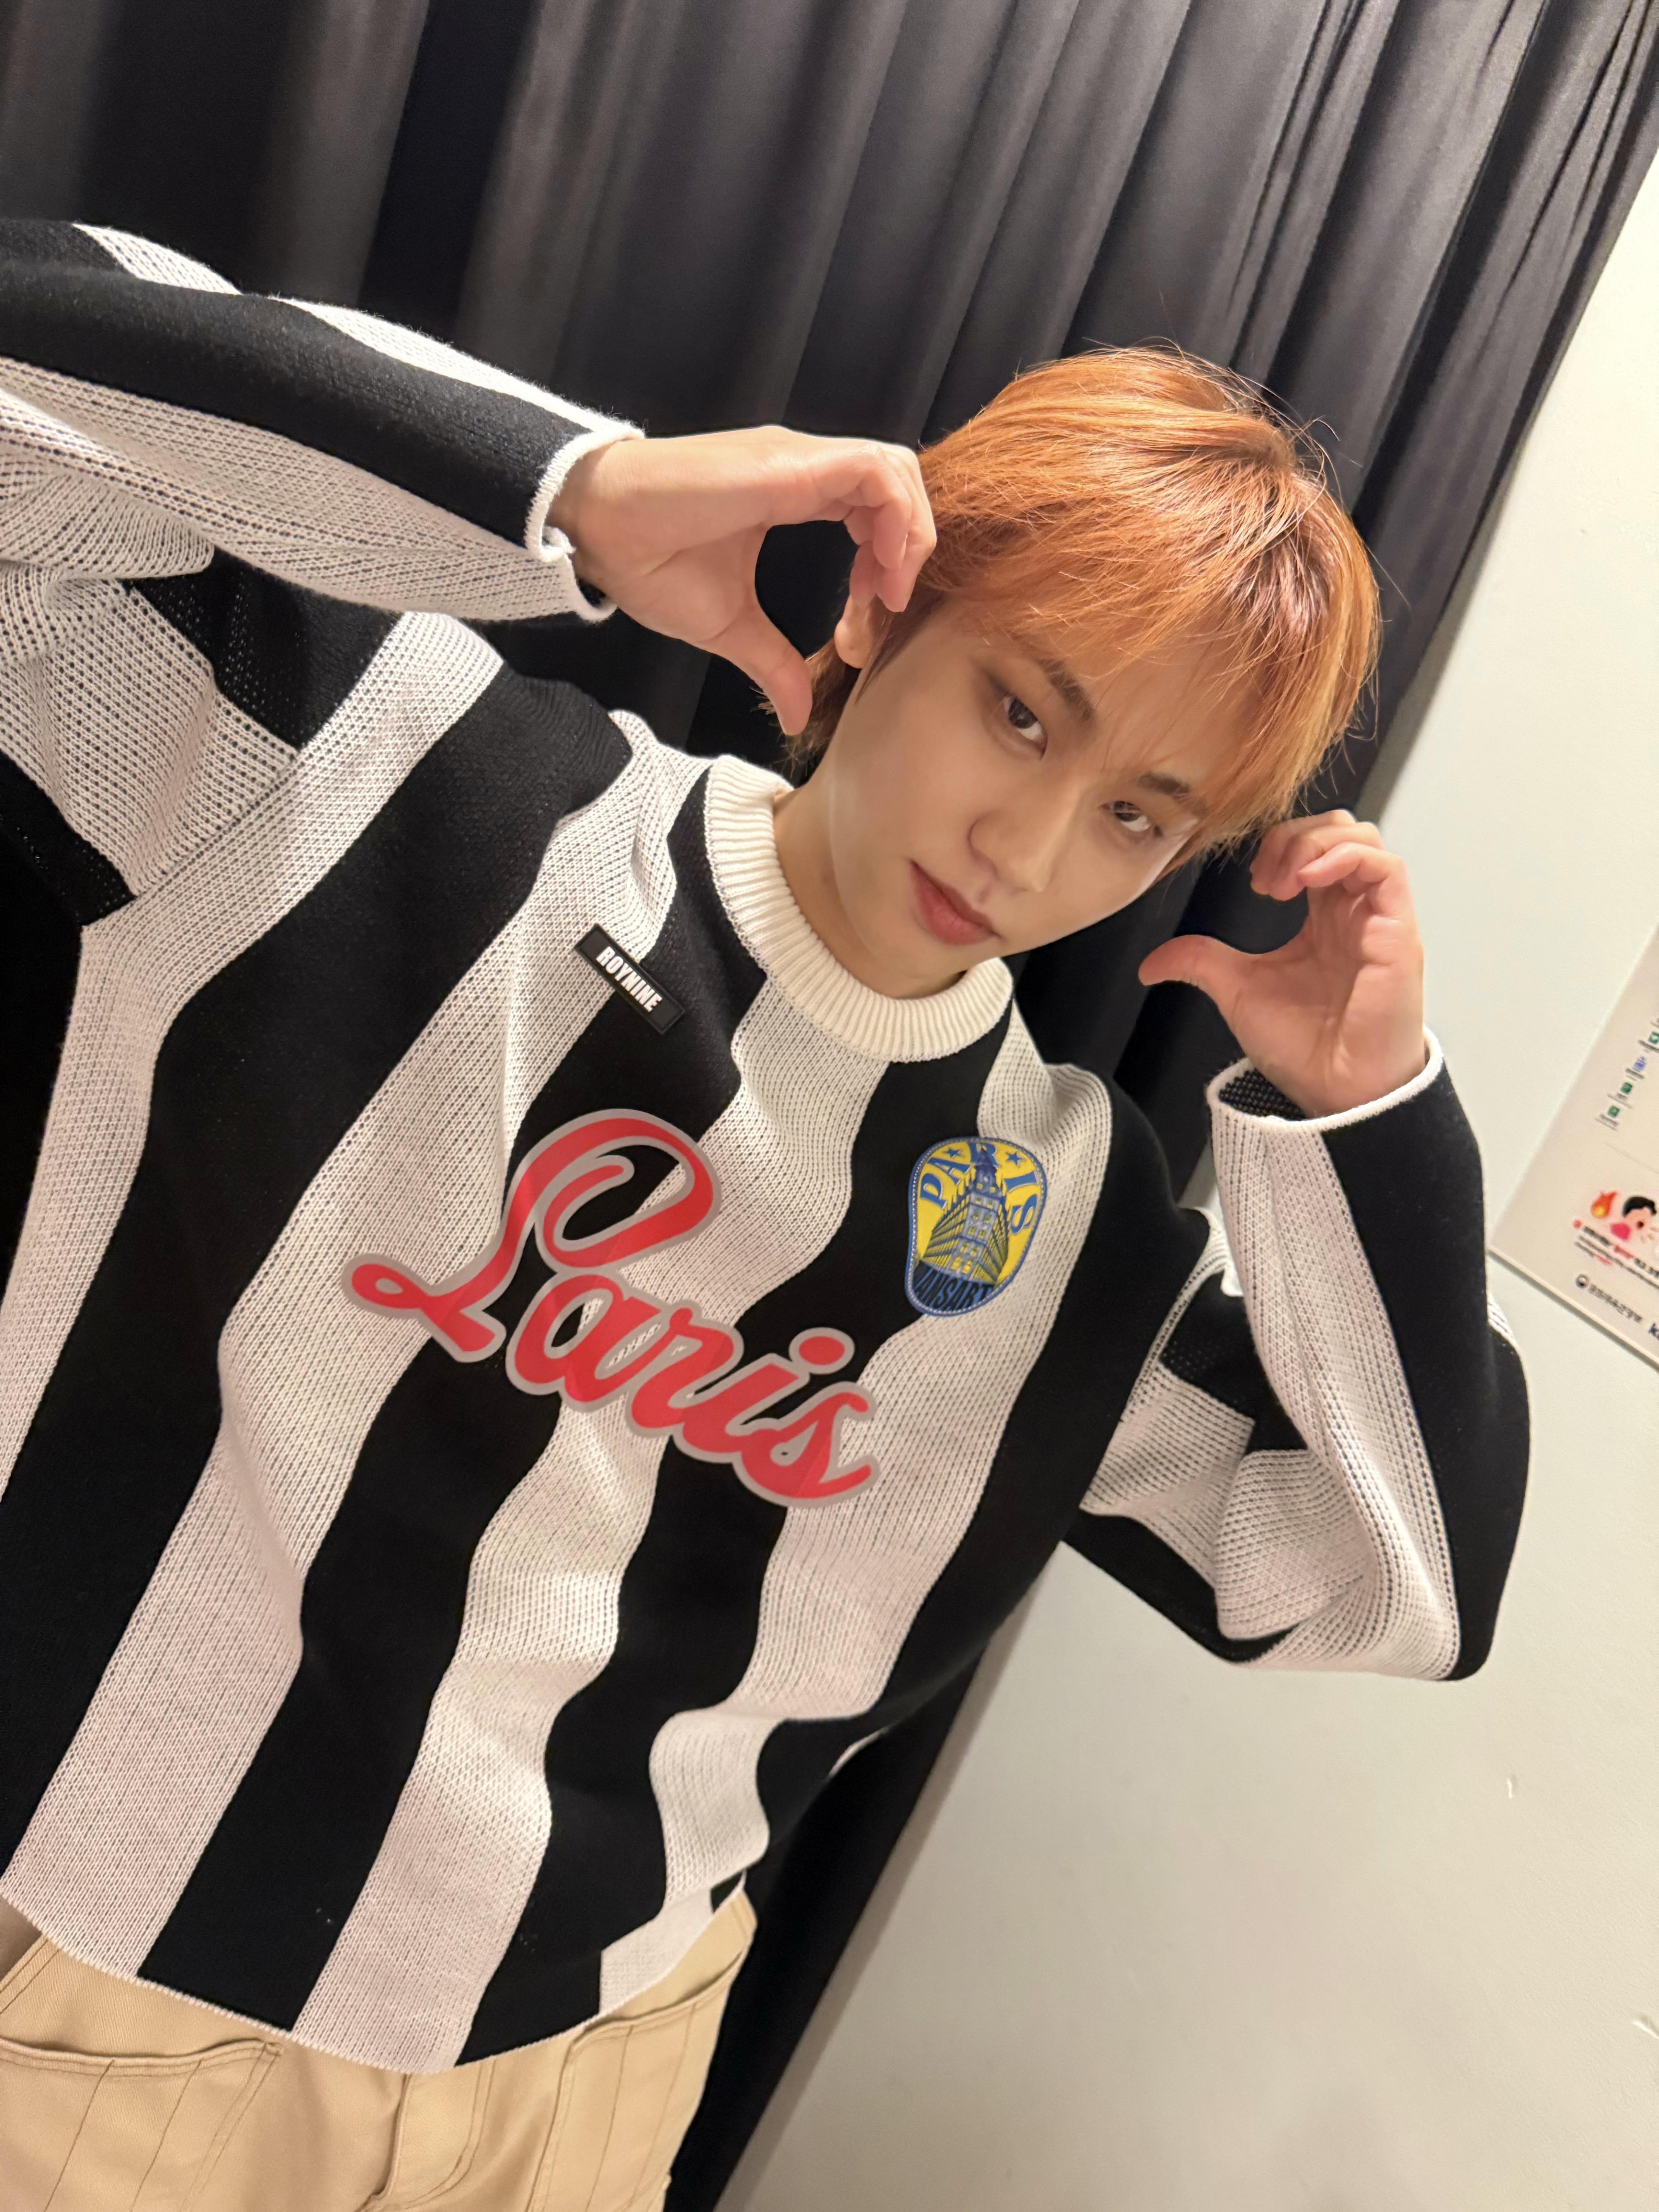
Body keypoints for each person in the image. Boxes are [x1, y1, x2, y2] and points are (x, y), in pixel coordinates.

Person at [0, 222, 1527, 2210]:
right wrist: (566, 491)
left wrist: (1369, 1123)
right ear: (888, 604)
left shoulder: (1069, 1228)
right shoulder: (384, 782)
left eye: (1141, 815)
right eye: (1024, 712)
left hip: (588, 2080)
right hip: (108, 1983)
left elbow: (1381, 1584)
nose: (1031, 847)